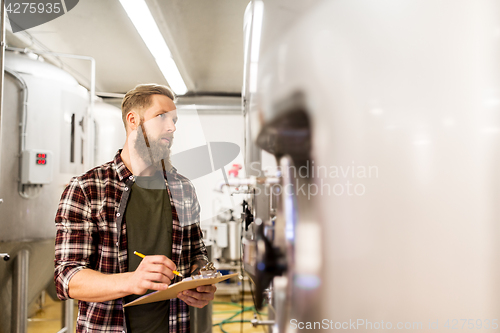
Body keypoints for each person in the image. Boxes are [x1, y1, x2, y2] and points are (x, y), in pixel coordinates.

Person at [54, 84, 216, 333]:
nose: (172, 127)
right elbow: (68, 278)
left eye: (174, 120)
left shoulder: (183, 188)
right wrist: (131, 280)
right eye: (162, 117)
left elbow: (197, 252)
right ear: (133, 120)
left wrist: (200, 278)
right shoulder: (87, 188)